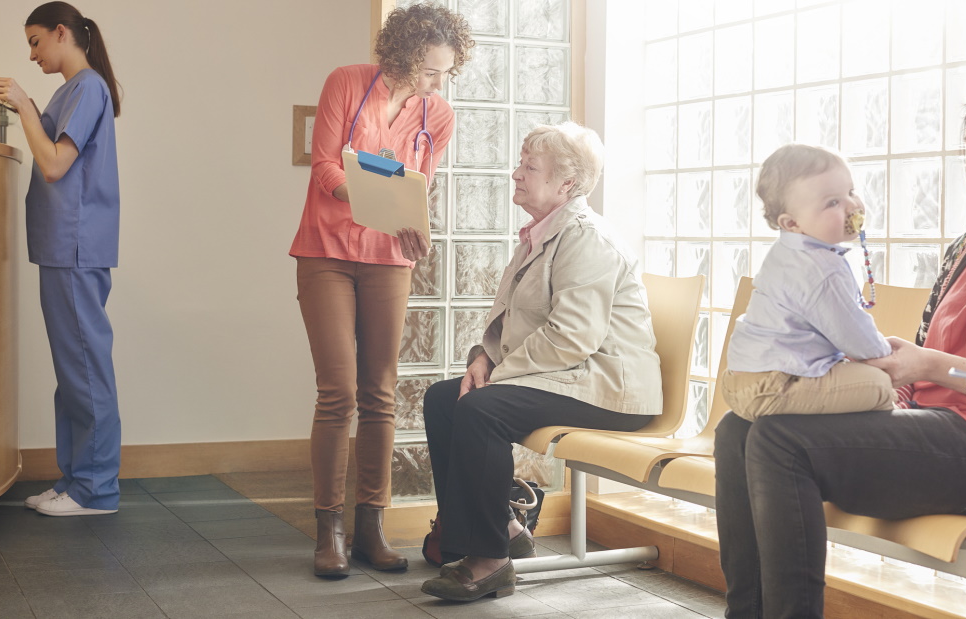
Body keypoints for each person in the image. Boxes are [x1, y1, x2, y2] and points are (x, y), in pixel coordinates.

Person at [712, 78, 966, 618]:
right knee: (737, 429)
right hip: (940, 427)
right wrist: (911, 367)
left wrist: (928, 365)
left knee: (779, 442)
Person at [418, 122, 663, 602]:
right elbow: (513, 321)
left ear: (567, 185)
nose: (515, 174)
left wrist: (497, 378)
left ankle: (489, 561)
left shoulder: (587, 239)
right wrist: (482, 360)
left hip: (611, 391)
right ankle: (498, 530)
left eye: (529, 168)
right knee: (445, 399)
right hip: (573, 378)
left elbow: (571, 338)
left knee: (480, 409)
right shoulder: (541, 234)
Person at [289, 4, 474, 577]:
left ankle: (371, 527)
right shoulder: (346, 83)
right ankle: (329, 531)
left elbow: (420, 188)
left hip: (388, 259)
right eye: (428, 72)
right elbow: (326, 169)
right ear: (401, 55)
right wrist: (383, 205)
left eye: (445, 73)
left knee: (381, 393)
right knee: (338, 391)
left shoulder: (436, 116)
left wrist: (416, 225)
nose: (437, 84)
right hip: (326, 250)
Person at [0, 2, 122, 517]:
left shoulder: (88, 87)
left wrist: (21, 102)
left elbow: (56, 163)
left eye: (36, 41)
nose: (33, 53)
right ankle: (74, 481)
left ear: (62, 32)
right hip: (63, 248)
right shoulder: (71, 91)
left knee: (86, 370)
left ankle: (96, 490)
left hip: (76, 247)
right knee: (73, 372)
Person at [721, 144, 895, 421]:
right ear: (791, 224)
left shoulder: (787, 252)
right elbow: (854, 333)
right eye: (833, 203)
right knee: (879, 384)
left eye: (850, 192)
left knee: (853, 376)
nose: (852, 206)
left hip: (740, 380)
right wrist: (885, 355)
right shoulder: (821, 268)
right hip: (775, 385)